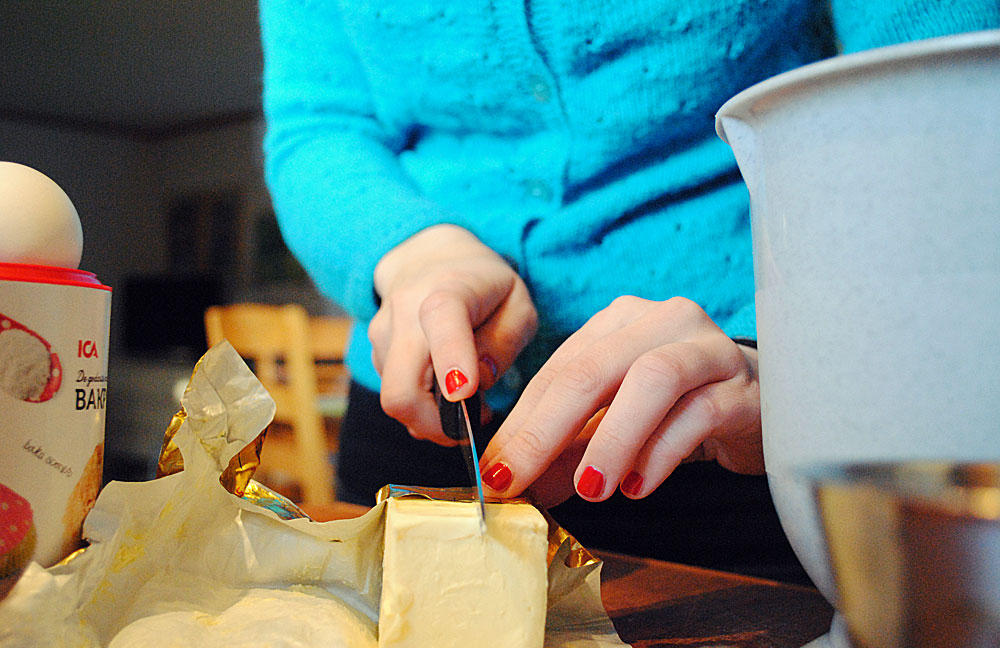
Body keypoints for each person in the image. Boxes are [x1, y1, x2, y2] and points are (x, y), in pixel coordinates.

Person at [259, 1, 999, 581]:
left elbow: (946, 113)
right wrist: (413, 253)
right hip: (410, 419)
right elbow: (318, 124)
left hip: (742, 429)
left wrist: (799, 370)